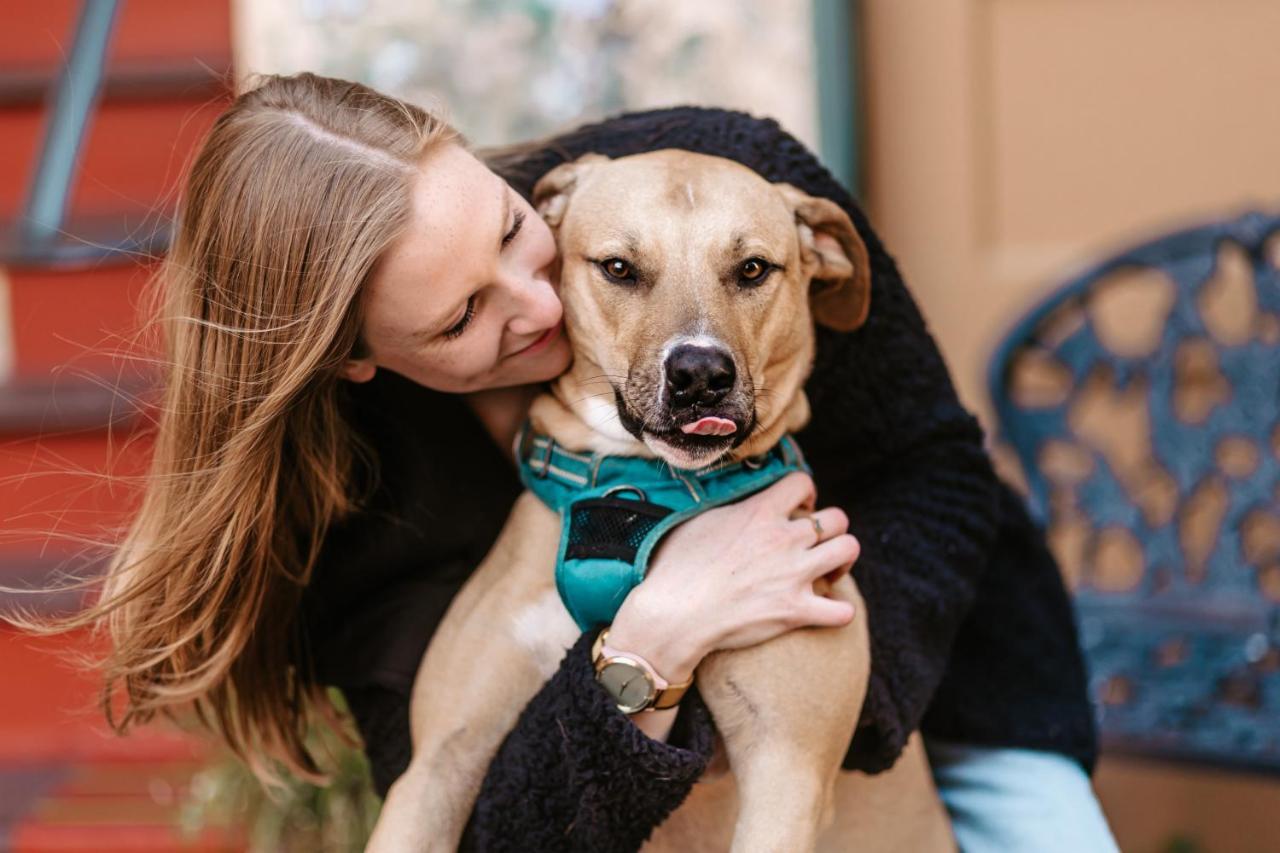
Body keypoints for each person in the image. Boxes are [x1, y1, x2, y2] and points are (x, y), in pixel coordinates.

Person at [16, 73, 1117, 851]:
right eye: (460, 318)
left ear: (526, 190)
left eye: (506, 232)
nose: (541, 303)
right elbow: (494, 826)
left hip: (955, 686)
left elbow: (934, 463)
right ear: (357, 358)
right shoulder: (363, 506)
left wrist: (817, 697)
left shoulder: (724, 187)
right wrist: (654, 640)